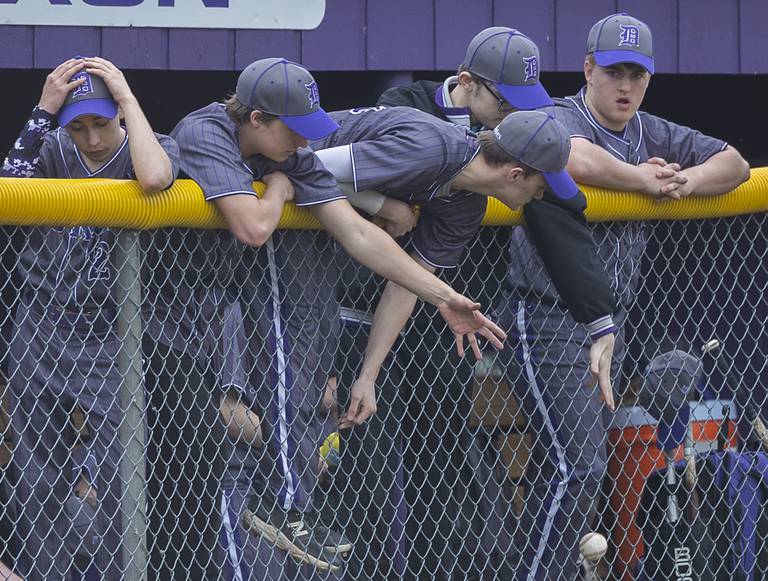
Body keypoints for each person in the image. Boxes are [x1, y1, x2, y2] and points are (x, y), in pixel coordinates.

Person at [169, 57, 506, 574]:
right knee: (159, 481)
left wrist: (443, 296)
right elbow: (254, 228)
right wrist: (281, 190)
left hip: (205, 303)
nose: (306, 142)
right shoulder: (207, 128)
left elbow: (358, 234)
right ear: (257, 119)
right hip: (148, 300)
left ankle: (287, 504)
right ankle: (283, 500)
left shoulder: (293, 155)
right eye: (296, 130)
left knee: (191, 474)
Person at [324, 27, 619, 579]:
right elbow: (307, 168)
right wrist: (391, 205)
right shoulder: (427, 135)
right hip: (285, 227)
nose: (506, 117)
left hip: (408, 313)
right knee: (352, 473)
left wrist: (371, 370)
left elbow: (409, 280)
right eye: (504, 102)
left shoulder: (466, 200)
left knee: (435, 467)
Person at [499, 14, 750, 580]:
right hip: (546, 314)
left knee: (568, 467)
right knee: (577, 466)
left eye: (637, 74)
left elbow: (734, 162)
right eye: (614, 71)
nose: (626, 85)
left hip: (612, 321)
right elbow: (565, 153)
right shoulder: (561, 114)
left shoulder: (649, 130)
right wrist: (642, 179)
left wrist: (684, 181)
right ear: (589, 69)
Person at [0, 57, 181, 579]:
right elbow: (7, 189)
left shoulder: (149, 140)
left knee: (119, 471)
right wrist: (44, 109)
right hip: (42, 318)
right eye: (79, 126)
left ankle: (120, 573)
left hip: (108, 330)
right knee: (39, 471)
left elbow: (155, 178)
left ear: (119, 115)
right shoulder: (54, 146)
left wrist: (125, 97)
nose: (91, 138)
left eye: (100, 123)